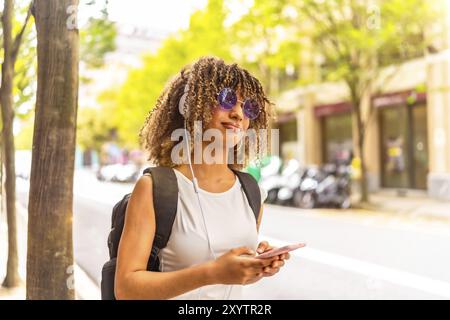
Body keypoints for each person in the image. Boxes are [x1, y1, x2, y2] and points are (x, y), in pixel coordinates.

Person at [114, 56, 291, 300]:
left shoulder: (251, 190)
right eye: (228, 100)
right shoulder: (155, 188)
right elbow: (126, 288)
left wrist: (255, 266)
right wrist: (212, 273)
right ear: (195, 105)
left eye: (248, 107)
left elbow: (231, 278)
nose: (239, 113)